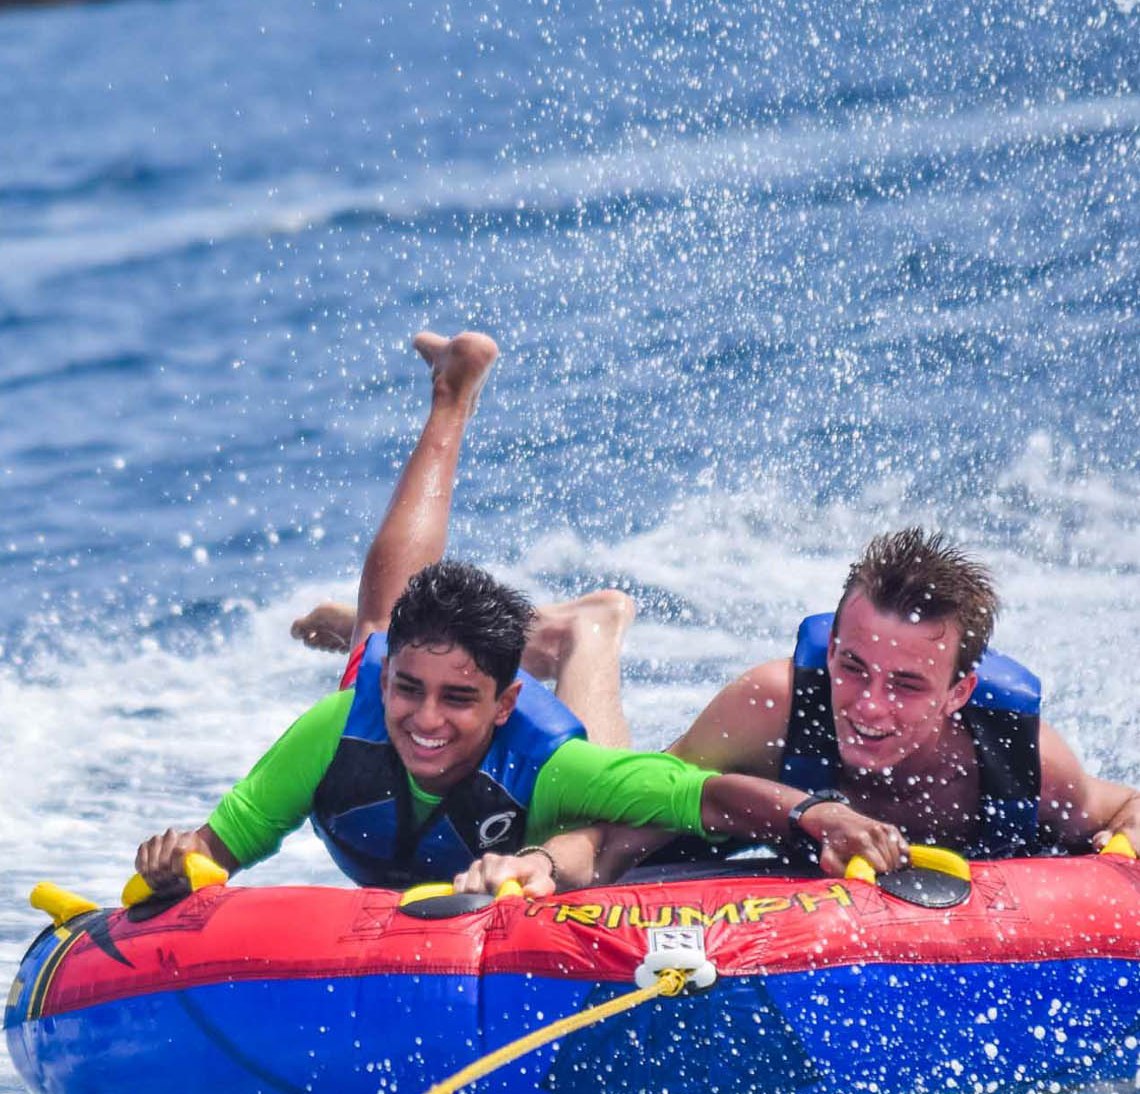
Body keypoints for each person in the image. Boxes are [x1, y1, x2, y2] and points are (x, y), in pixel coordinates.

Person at [303, 524, 1140, 959]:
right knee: (608, 810)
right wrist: (539, 868)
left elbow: (1113, 813)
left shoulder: (1018, 754)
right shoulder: (774, 704)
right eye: (852, 665)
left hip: (996, 857)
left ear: (959, 688)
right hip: (787, 856)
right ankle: (589, 640)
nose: (864, 702)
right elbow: (638, 813)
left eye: (905, 683)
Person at [131, 332, 909, 897]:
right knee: (382, 631)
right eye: (412, 692)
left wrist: (817, 816)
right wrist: (175, 859)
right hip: (388, 663)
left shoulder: (551, 765)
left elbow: (698, 794)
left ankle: (587, 631)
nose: (425, 721)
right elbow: (214, 849)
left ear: (504, 704)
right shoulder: (338, 732)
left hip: (552, 767)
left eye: (459, 698)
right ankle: (451, 393)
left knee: (598, 781)